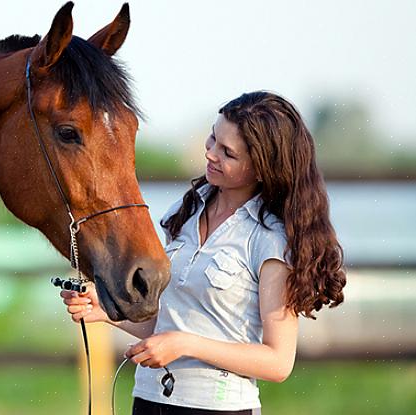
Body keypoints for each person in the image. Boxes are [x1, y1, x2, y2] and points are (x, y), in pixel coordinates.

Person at [61, 91, 346, 414]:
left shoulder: (270, 240)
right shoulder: (185, 213)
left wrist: (184, 344)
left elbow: (278, 362)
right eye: (213, 138)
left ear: (262, 169)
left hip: (218, 408)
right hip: (149, 401)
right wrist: (106, 310)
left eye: (228, 153)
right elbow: (168, 322)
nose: (210, 153)